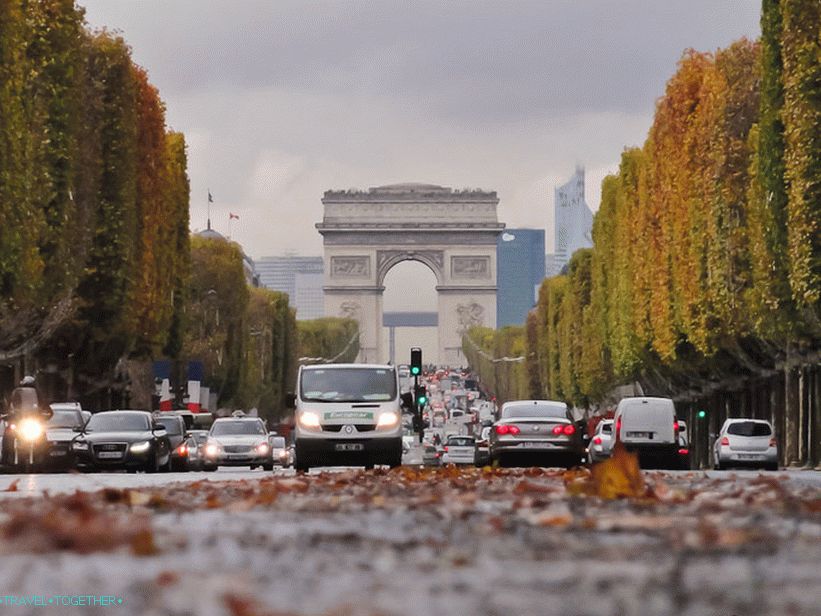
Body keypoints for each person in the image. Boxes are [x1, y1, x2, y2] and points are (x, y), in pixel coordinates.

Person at [1, 376, 51, 466]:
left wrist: (45, 415)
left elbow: (47, 409)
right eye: (26, 386)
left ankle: (45, 456)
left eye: (30, 386)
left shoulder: (39, 396)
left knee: (42, 435)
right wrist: (8, 414)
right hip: (18, 422)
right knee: (8, 433)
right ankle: (5, 457)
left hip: (33, 422)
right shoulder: (16, 394)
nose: (28, 388)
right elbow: (10, 407)